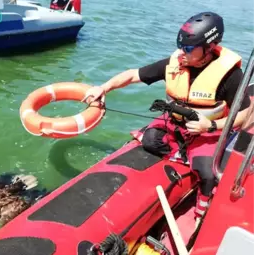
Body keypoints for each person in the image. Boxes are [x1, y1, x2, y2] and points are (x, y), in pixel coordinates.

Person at [86, 12, 251, 222]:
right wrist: (103, 88)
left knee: (207, 172)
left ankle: (203, 208)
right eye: (182, 46)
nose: (183, 52)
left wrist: (209, 126)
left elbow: (244, 114)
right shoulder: (176, 62)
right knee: (149, 140)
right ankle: (181, 154)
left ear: (210, 47)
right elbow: (132, 75)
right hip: (176, 124)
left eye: (190, 49)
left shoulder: (230, 76)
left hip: (208, 132)